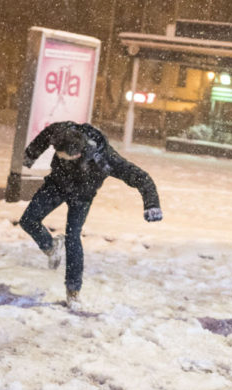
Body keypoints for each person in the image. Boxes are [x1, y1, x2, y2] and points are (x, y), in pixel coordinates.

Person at [19, 121, 162, 310]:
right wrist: (31, 154)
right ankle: (51, 246)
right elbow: (47, 134)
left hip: (82, 195)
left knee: (73, 237)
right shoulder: (62, 133)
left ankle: (73, 291)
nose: (60, 159)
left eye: (65, 158)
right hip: (56, 185)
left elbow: (140, 177)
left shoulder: (104, 158)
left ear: (78, 154)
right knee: (28, 220)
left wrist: (151, 204)